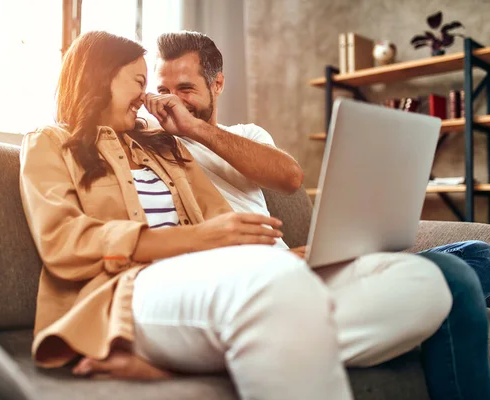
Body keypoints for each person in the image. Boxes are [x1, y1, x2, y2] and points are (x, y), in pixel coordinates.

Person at [19, 30, 453, 400]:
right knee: (273, 290)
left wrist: (282, 257)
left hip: (218, 276)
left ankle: (217, 355)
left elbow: (228, 216)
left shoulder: (163, 146)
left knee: (420, 283)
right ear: (100, 78)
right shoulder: (49, 143)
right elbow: (63, 243)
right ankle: (235, 336)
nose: (150, 97)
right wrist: (206, 241)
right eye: (140, 82)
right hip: (130, 289)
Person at [151, 30, 490, 399]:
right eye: (162, 90)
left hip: (304, 260)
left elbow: (289, 177)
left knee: (478, 252)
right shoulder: (152, 145)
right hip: (269, 276)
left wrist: (197, 129)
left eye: (185, 89)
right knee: (454, 279)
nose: (171, 103)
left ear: (218, 84)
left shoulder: (243, 135)